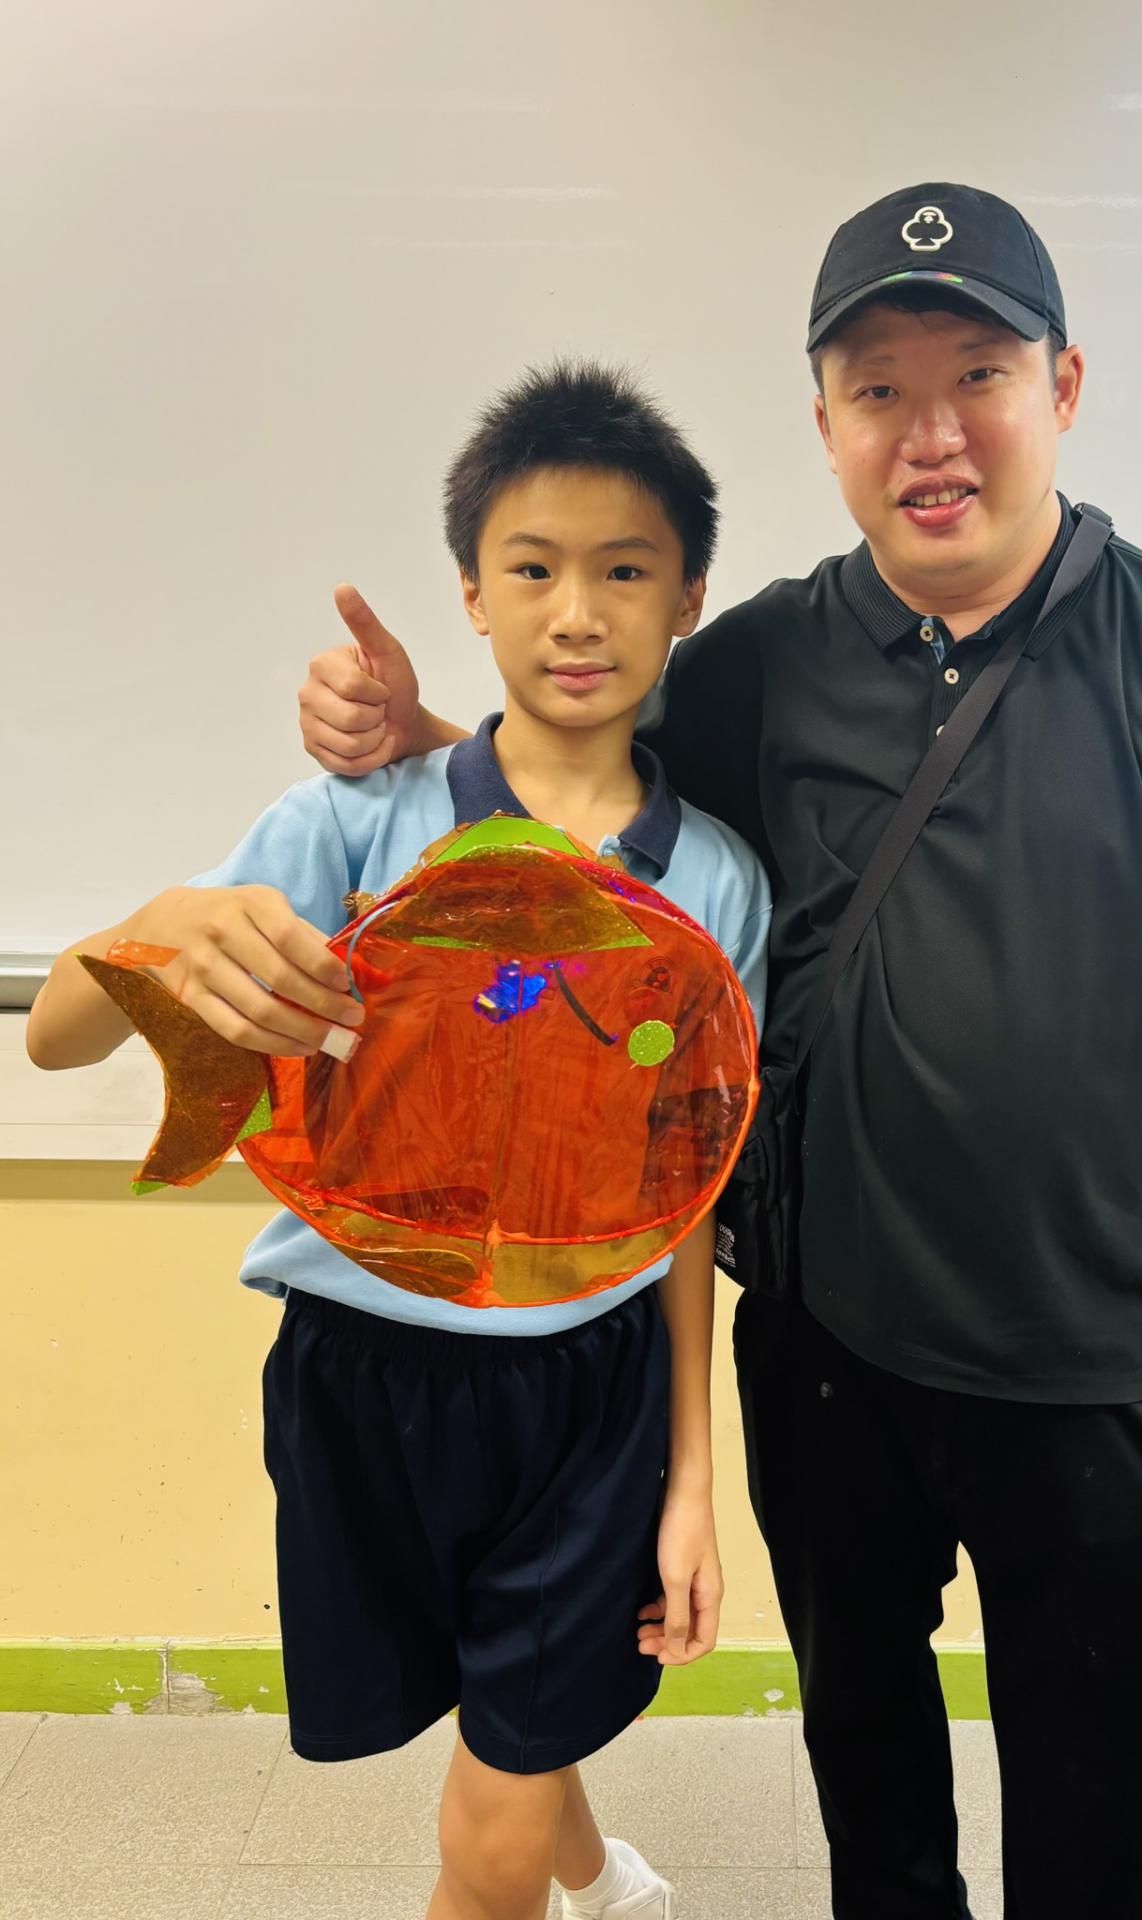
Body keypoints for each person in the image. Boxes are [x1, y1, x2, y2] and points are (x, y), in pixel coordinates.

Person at [292, 183, 1142, 1920]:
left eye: (978, 376)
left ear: (1064, 387)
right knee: (872, 1800)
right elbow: (571, 793)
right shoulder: (754, 666)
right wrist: (407, 729)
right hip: (822, 1348)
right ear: (825, 424)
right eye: (878, 390)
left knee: (1086, 1820)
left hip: (1091, 1356)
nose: (928, 434)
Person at [27, 362, 771, 1920]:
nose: (579, 614)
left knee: (486, 1834)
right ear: (472, 597)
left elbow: (682, 1196)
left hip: (589, 1393)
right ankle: (607, 1883)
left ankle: (547, 1872)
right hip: (356, 1377)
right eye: (533, 569)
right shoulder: (353, 822)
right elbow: (60, 1038)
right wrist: (159, 922)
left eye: (626, 571)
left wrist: (695, 1478)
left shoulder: (714, 886)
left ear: (690, 600)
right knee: (496, 1709)